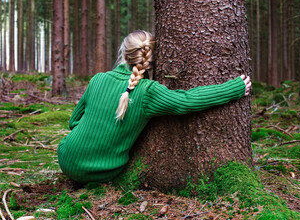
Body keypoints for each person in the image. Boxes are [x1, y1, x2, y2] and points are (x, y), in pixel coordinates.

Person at [57, 30, 251, 183]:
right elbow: (186, 100)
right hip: (104, 170)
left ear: (123, 53)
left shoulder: (98, 79)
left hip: (66, 159)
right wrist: (233, 88)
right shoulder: (148, 91)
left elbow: (74, 121)